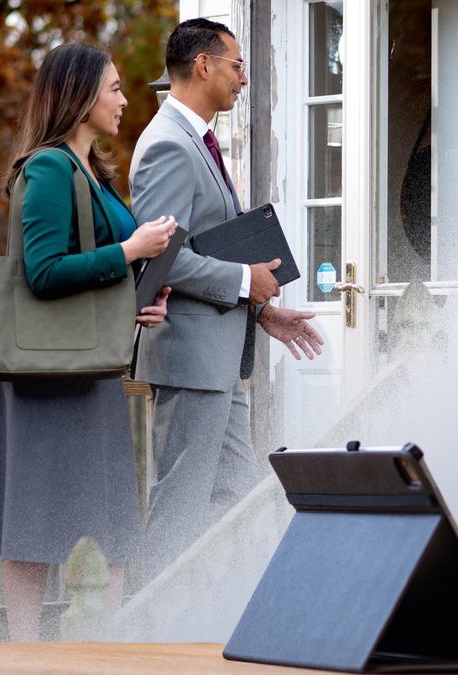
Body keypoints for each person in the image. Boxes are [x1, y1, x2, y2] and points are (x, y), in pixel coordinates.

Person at [0, 42, 178, 640]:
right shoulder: (50, 168)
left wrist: (138, 300)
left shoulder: (95, 173)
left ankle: (105, 646)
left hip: (88, 370)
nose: (124, 99)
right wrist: (131, 252)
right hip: (44, 376)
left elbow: (93, 269)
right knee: (33, 519)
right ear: (81, 96)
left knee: (109, 518)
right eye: (113, 88)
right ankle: (26, 652)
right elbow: (43, 271)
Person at [130, 19, 324, 580]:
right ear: (204, 65)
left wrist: (262, 311)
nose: (244, 78)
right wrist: (244, 282)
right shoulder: (168, 143)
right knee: (179, 514)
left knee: (239, 504)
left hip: (219, 361)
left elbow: (204, 243)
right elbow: (159, 258)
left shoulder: (199, 139)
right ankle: (148, 648)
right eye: (238, 65)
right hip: (191, 361)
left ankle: (220, 628)